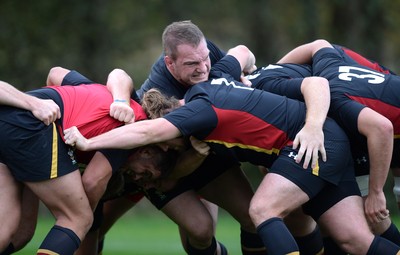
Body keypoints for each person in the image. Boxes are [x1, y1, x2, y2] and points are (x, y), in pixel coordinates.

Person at [64, 44, 400, 254]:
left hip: (311, 141)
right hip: (329, 143)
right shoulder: (217, 78)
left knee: (262, 211)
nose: (168, 145)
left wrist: (90, 142)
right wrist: (251, 69)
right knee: (356, 241)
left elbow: (147, 130)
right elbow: (240, 51)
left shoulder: (195, 111)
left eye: (166, 143)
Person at [0, 72, 178, 255]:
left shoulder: (100, 91)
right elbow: (92, 182)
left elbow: (55, 73)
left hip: (8, 118)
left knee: (16, 233)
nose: (139, 179)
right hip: (32, 127)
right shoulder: (131, 131)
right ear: (147, 151)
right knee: (78, 218)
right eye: (146, 173)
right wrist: (82, 220)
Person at [256, 39, 400, 252]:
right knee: (348, 219)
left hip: (382, 129)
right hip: (375, 127)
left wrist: (376, 192)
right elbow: (320, 44)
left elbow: (382, 128)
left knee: (368, 215)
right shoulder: (328, 69)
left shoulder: (333, 98)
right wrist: (277, 69)